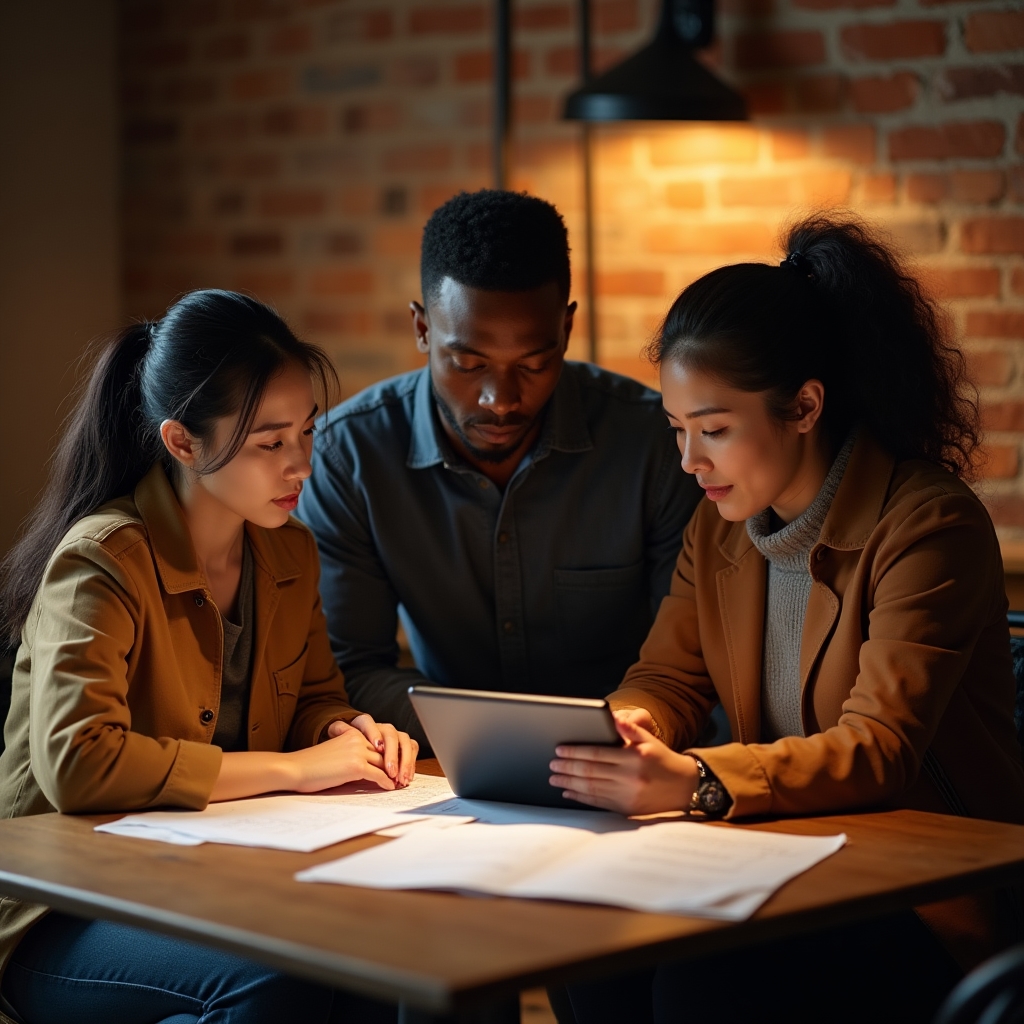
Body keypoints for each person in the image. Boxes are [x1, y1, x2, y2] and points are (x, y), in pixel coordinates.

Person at [547, 216, 1024, 1024]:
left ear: (804, 406)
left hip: (927, 897)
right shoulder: (722, 526)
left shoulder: (927, 525)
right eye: (677, 431)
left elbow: (880, 749)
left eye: (715, 431)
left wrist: (696, 777)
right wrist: (632, 723)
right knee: (583, 948)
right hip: (786, 859)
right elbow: (670, 674)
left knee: (706, 985)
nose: (689, 462)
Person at [0, 290, 418, 1024]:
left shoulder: (288, 551)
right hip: (63, 910)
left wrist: (344, 732)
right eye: (269, 442)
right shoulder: (104, 559)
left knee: (382, 960)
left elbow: (315, 694)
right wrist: (297, 769)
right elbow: (79, 764)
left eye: (308, 433)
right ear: (182, 442)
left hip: (206, 880)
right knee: (275, 979)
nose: (302, 465)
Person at [297, 190, 702, 747]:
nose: (500, 399)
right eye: (468, 363)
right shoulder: (351, 458)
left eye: (535, 363)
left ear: (566, 328)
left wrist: (625, 729)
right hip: (442, 774)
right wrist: (505, 737)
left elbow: (689, 661)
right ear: (421, 330)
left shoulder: (654, 444)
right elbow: (351, 668)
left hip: (628, 759)